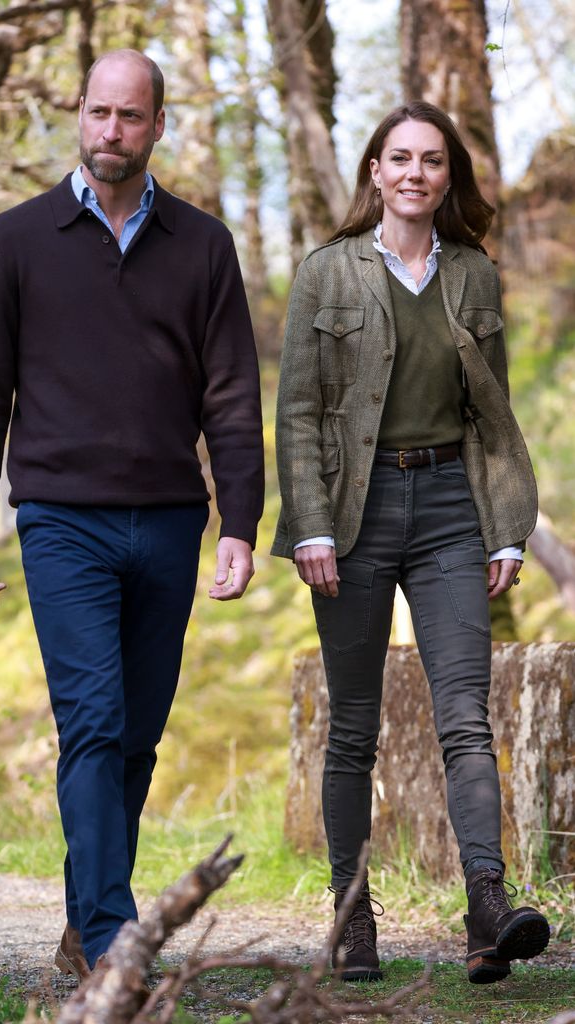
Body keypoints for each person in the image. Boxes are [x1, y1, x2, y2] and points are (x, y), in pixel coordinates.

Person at [0, 49, 264, 980]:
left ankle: (86, 908)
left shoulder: (203, 245)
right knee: (90, 719)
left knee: (135, 734)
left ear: (158, 125)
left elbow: (233, 398)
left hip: (168, 520)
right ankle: (111, 938)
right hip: (60, 519)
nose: (111, 132)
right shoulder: (15, 239)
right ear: (77, 115)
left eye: (130, 116)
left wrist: (239, 523)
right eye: (98, 113)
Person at [272, 101, 549, 985]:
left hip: (448, 512)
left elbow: (492, 415)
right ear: (373, 171)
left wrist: (505, 523)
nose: (414, 174)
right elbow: (301, 414)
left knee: (465, 719)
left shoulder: (473, 275)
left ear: (447, 178)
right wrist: (308, 524)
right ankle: (353, 922)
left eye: (432, 161)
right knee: (353, 728)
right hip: (350, 517)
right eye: (399, 158)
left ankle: (487, 909)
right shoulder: (327, 272)